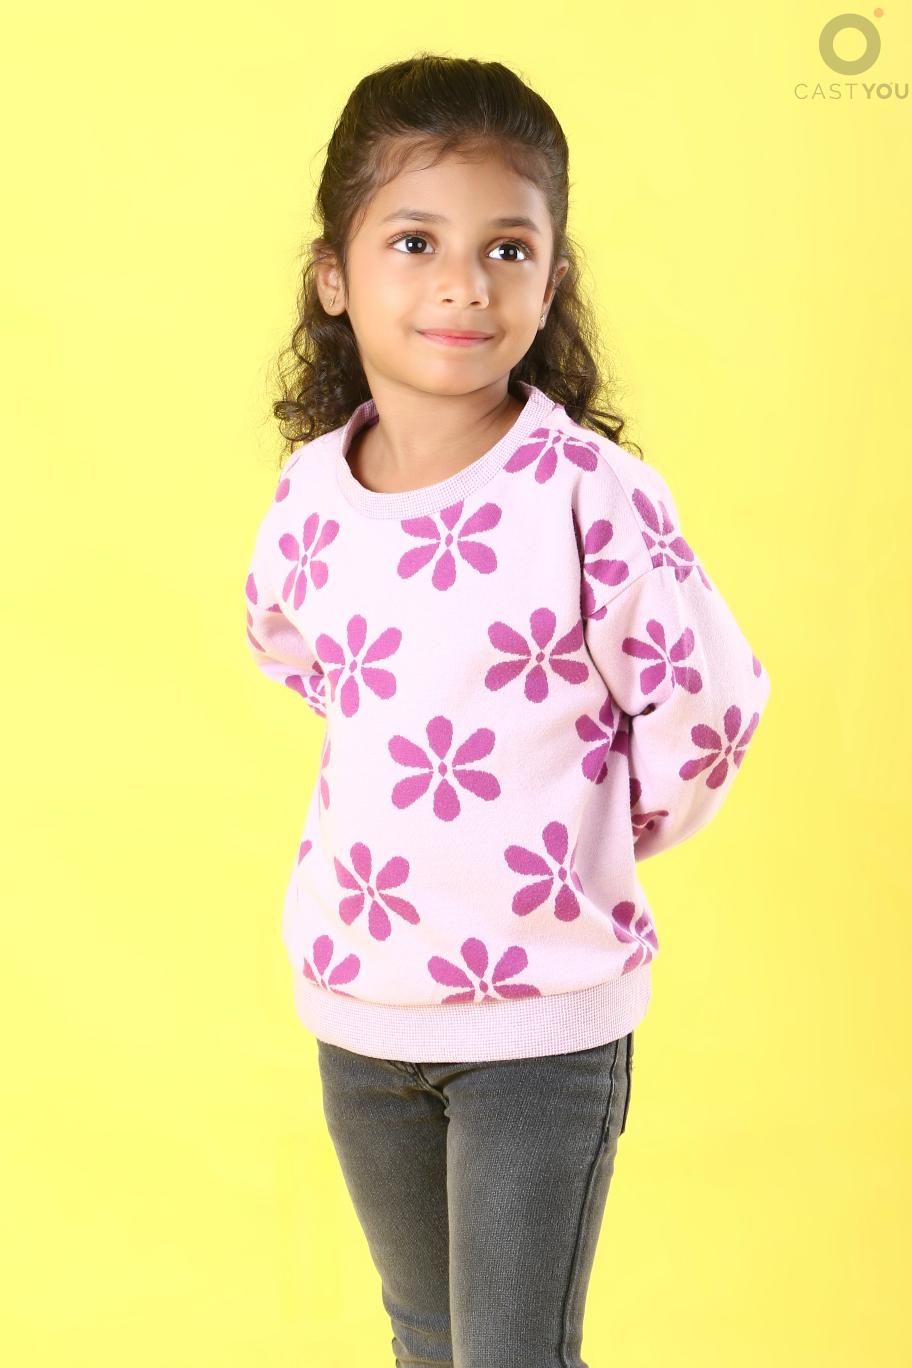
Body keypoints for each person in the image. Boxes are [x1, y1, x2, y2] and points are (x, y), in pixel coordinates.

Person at [243, 53, 772, 1368]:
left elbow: (707, 708)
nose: (463, 284)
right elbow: (304, 657)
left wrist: (583, 839)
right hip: (359, 1008)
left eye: (508, 249)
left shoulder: (590, 496)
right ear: (334, 275)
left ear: (551, 279)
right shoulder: (310, 493)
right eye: (415, 241)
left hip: (542, 1020)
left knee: (512, 1353)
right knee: (425, 1335)